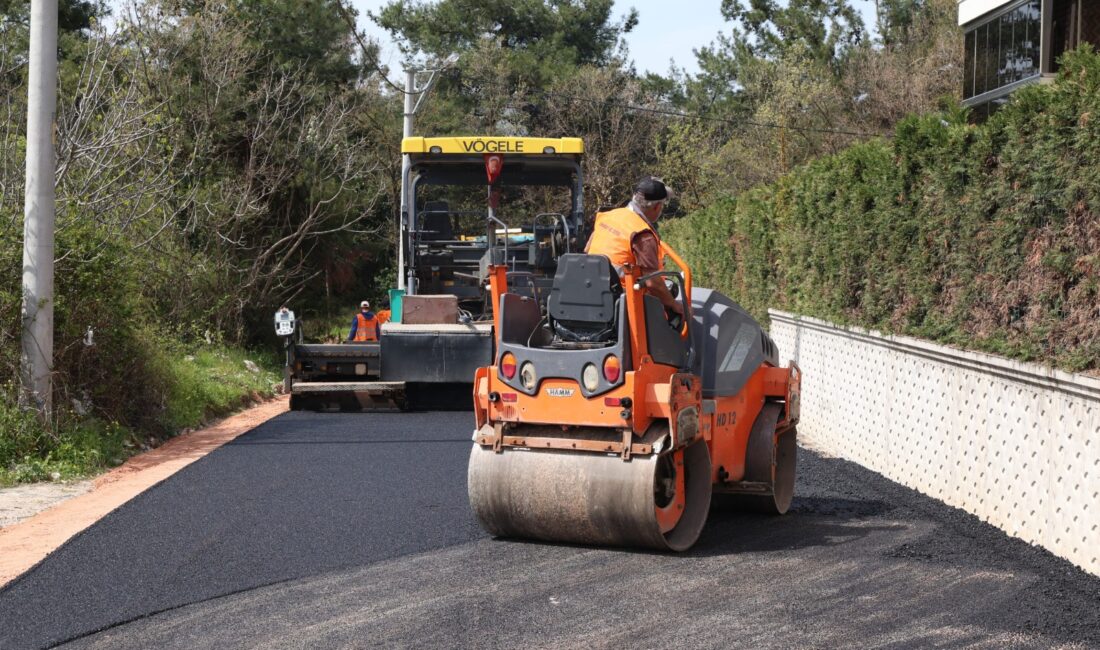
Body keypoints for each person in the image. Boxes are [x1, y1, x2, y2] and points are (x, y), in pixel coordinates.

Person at [584, 176, 683, 317]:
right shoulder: (642, 234)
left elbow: (587, 250)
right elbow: (652, 283)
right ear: (657, 207)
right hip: (624, 302)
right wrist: (674, 304)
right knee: (672, 307)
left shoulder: (608, 216)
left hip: (591, 289)